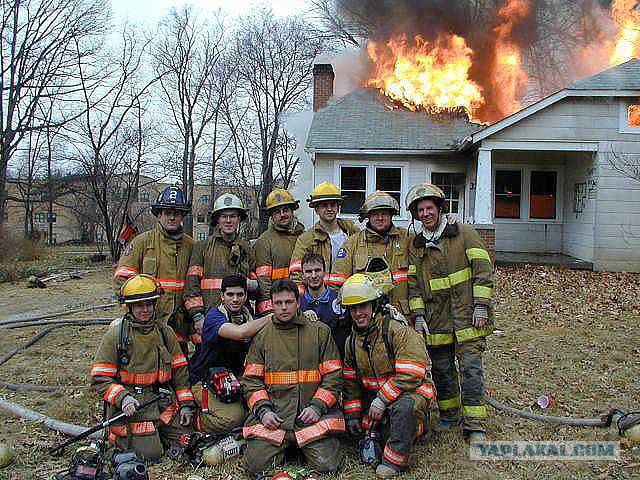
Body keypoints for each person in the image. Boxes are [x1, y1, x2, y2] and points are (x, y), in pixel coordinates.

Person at [406, 183, 494, 441]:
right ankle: (449, 416)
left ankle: (475, 424)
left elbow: (483, 271)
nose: (425, 214)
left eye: (429, 208)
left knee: (470, 369)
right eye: (420, 210)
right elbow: (413, 285)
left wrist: (480, 306)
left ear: (440, 208)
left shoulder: (465, 234)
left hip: (468, 315)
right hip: (436, 321)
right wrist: (419, 316)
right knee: (442, 370)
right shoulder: (416, 245)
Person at [241, 279, 344, 477]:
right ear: (271, 304)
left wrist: (317, 406)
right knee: (254, 467)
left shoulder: (320, 332)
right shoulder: (262, 336)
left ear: (298, 302)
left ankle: (307, 446)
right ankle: (287, 447)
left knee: (328, 466)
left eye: (288, 302)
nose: (284, 307)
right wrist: (263, 412)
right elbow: (251, 381)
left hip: (311, 417)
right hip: (275, 418)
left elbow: (334, 376)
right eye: (278, 303)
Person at [90, 274, 196, 461]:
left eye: (149, 304)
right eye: (139, 305)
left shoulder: (165, 332)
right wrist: (123, 399)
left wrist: (186, 405)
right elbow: (99, 379)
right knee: (150, 455)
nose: (145, 309)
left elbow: (180, 372)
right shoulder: (117, 335)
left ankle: (157, 434)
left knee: (188, 440)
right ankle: (119, 440)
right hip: (133, 406)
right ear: (129, 307)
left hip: (161, 401)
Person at [341, 274, 435, 478]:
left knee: (403, 410)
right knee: (374, 432)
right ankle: (400, 431)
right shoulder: (351, 343)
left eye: (363, 306)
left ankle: (394, 462)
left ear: (374, 305)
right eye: (353, 308)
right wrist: (353, 416)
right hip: (378, 400)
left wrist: (382, 400)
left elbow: (412, 374)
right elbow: (350, 384)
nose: (358, 313)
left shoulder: (396, 331)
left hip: (410, 393)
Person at [188, 274, 274, 434]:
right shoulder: (214, 317)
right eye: (230, 294)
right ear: (222, 296)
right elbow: (240, 333)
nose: (235, 299)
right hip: (205, 380)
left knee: (262, 408)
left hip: (234, 378)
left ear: (246, 296)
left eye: (240, 294)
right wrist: (273, 316)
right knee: (234, 420)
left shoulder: (248, 317)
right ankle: (197, 419)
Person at [114, 186, 194, 343]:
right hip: (146, 325)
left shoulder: (191, 246)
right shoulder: (142, 242)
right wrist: (136, 312)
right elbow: (121, 281)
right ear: (159, 215)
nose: (172, 218)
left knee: (179, 364)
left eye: (176, 213)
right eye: (167, 213)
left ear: (182, 216)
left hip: (179, 326)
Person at [184, 193, 257, 337]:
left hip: (240, 322)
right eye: (224, 216)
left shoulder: (246, 248)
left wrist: (252, 285)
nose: (228, 220)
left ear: (239, 219)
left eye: (233, 216)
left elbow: (255, 286)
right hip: (210, 320)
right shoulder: (202, 247)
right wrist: (198, 317)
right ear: (217, 219)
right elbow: (191, 285)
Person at [330, 191, 411, 316]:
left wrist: (447, 221)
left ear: (391, 215)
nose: (380, 218)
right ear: (368, 216)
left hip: (402, 314)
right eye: (375, 214)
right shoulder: (352, 243)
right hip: (365, 317)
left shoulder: (407, 238)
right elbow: (337, 285)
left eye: (384, 213)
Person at [289, 182, 359, 291]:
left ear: (338, 207)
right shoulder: (306, 239)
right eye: (324, 205)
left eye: (333, 205)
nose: (329, 209)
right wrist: (303, 299)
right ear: (316, 209)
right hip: (319, 298)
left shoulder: (353, 234)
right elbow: (296, 274)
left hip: (350, 296)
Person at [253, 189, 305, 315]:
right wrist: (270, 312)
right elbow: (263, 282)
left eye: (285, 210)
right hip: (277, 309)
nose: (282, 214)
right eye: (277, 212)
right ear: (271, 215)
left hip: (302, 305)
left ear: (292, 210)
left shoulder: (304, 237)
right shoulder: (264, 241)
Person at [299, 252, 349, 358]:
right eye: (308, 271)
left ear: (325, 272)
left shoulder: (340, 301)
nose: (313, 275)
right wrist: (300, 316)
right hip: (309, 364)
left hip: (337, 363)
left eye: (317, 270)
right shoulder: (297, 304)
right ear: (302, 275)